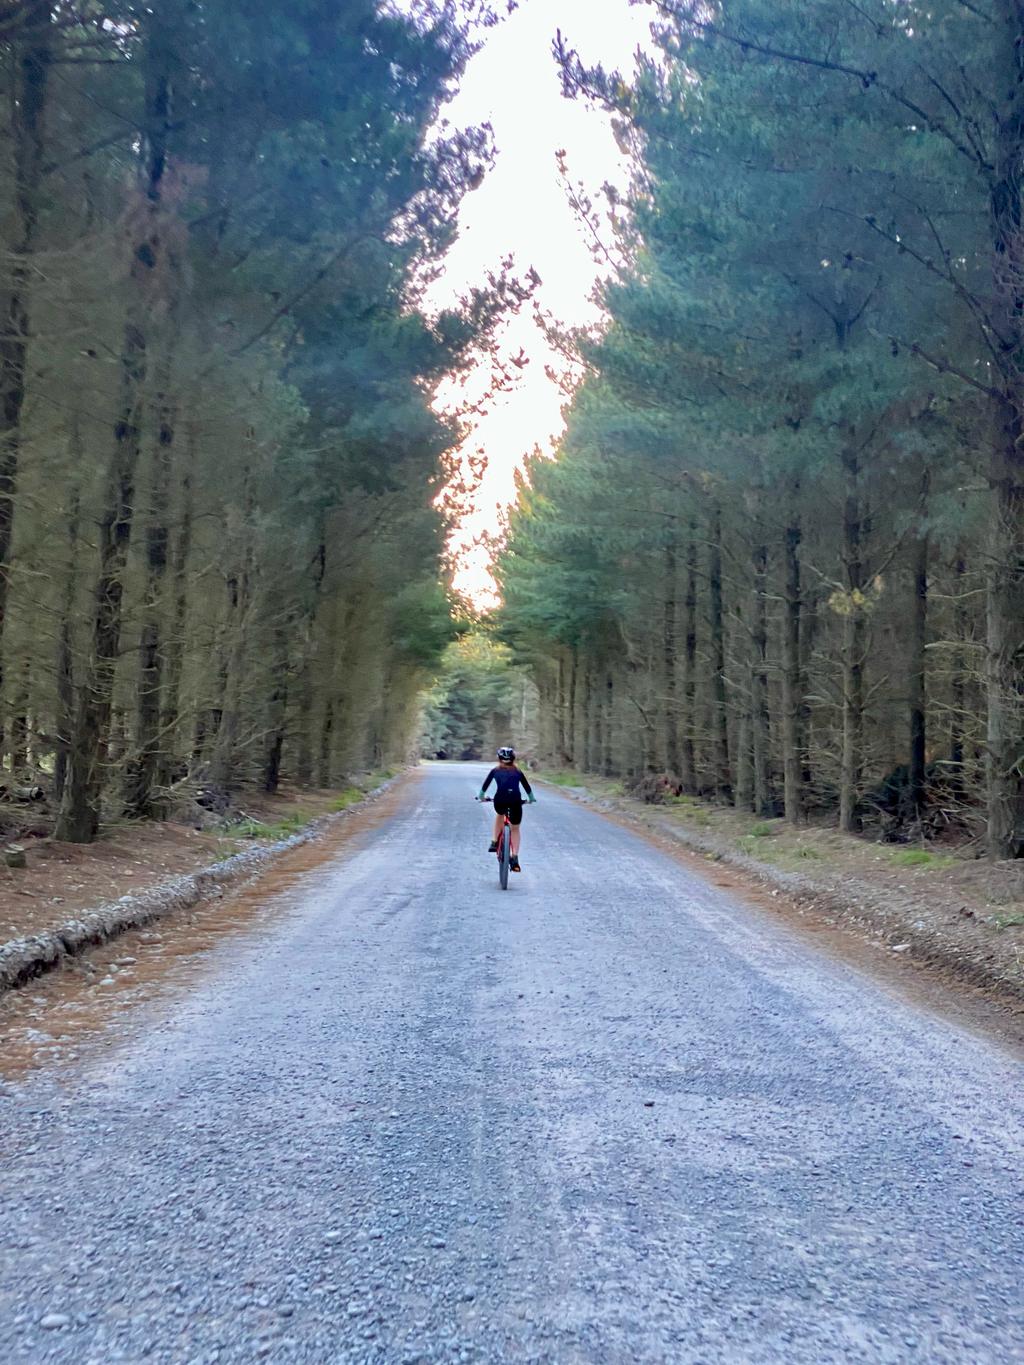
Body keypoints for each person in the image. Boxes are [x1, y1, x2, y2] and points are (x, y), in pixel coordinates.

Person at [477, 746, 535, 872]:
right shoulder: (518, 771)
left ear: (499, 758)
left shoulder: (495, 771)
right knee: (515, 828)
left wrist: (481, 797)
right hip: (515, 801)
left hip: (500, 800)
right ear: (513, 759)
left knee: (500, 814)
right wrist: (531, 799)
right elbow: (527, 787)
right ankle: (514, 857)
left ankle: (494, 841)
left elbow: (485, 786)